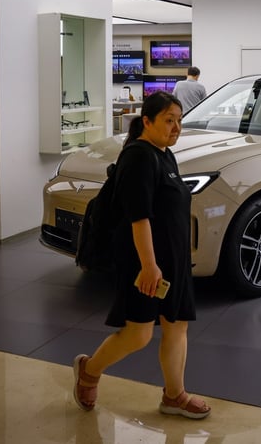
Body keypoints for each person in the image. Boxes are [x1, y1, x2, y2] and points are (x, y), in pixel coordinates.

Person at [72, 91, 210, 419]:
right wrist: (149, 266)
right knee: (139, 333)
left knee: (177, 326)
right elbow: (139, 217)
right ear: (146, 122)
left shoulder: (165, 154)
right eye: (168, 120)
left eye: (179, 120)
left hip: (173, 261)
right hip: (144, 262)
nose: (176, 127)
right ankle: (89, 371)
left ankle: (174, 396)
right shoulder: (138, 157)